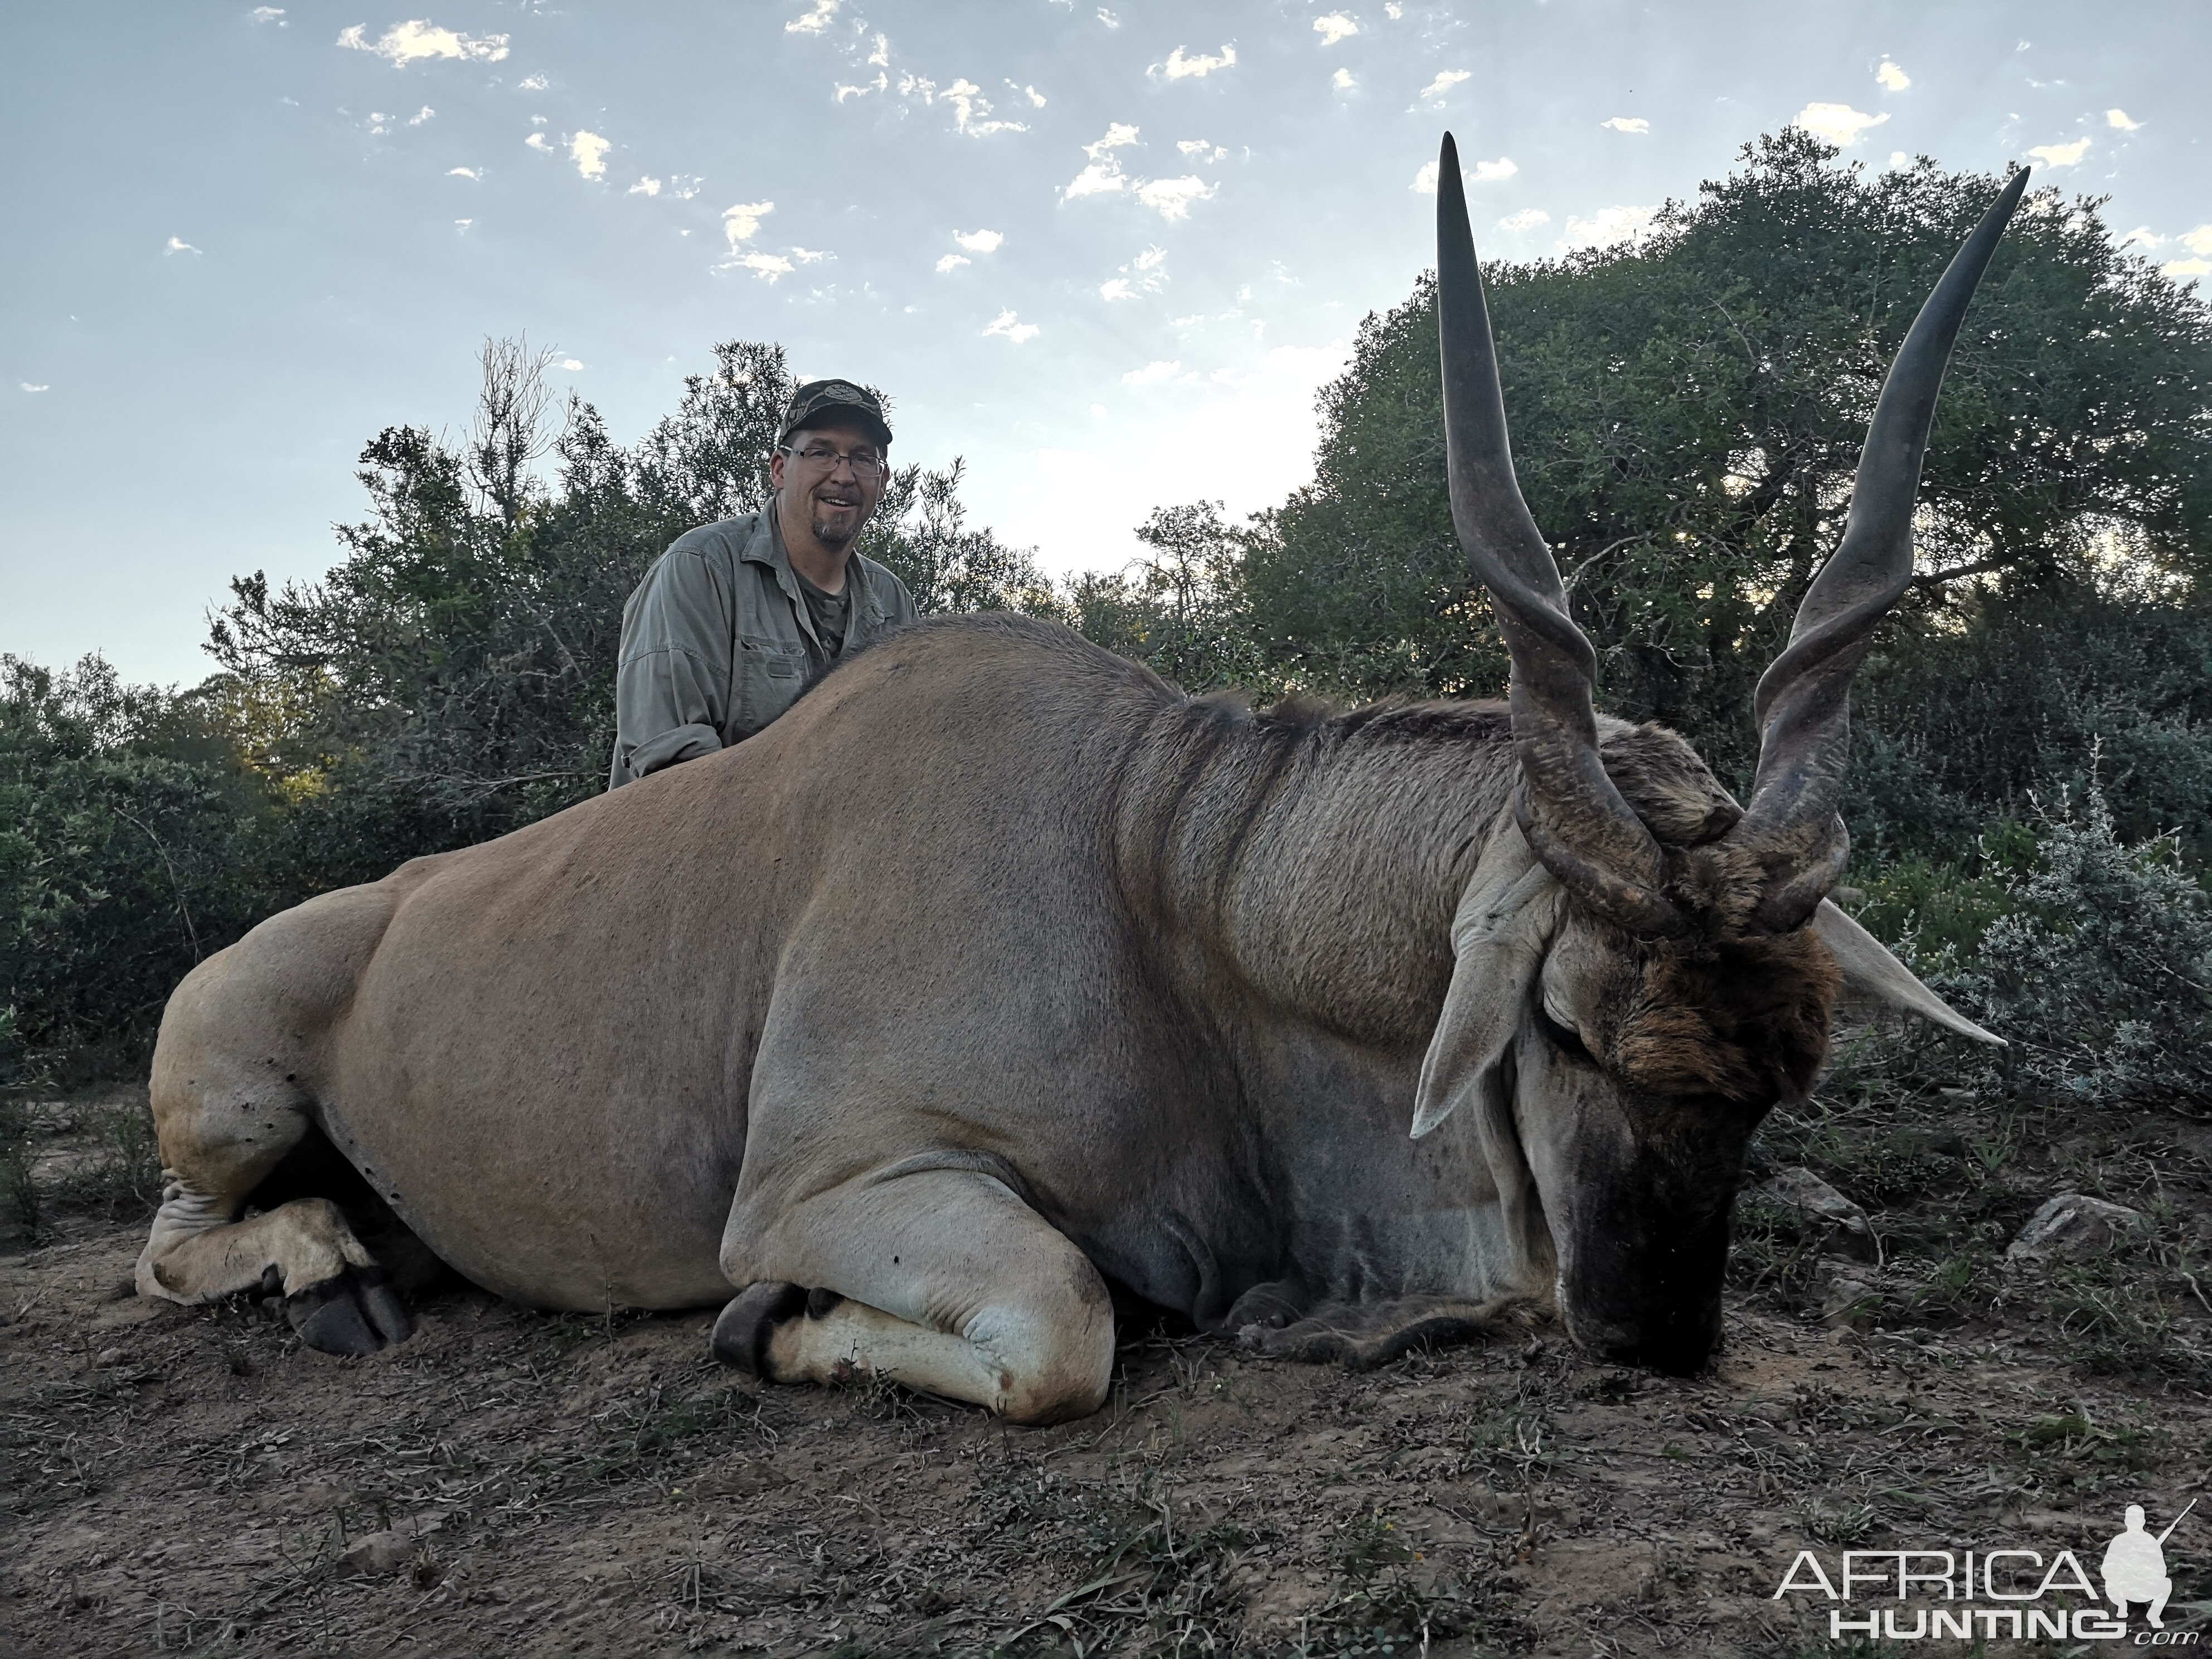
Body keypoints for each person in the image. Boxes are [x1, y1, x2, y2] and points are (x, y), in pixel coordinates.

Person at [606, 379, 920, 787]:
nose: (843, 475)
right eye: (821, 452)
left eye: (863, 459)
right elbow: (671, 762)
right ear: (779, 469)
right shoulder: (701, 566)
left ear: (883, 479)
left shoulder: (895, 602)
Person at [2101, 1504, 2175, 1628]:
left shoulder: (2150, 1541)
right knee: (2109, 1583)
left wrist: (2147, 1572)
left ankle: (2154, 1615)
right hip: (2123, 1587)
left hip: (2144, 1587)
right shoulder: (2119, 1541)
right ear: (2126, 1521)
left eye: (2138, 1520)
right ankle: (2122, 1606)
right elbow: (2106, 1568)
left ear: (2143, 1522)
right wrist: (2123, 1571)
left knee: (2167, 1583)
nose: (2134, 1523)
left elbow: (2162, 1569)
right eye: (2131, 1519)